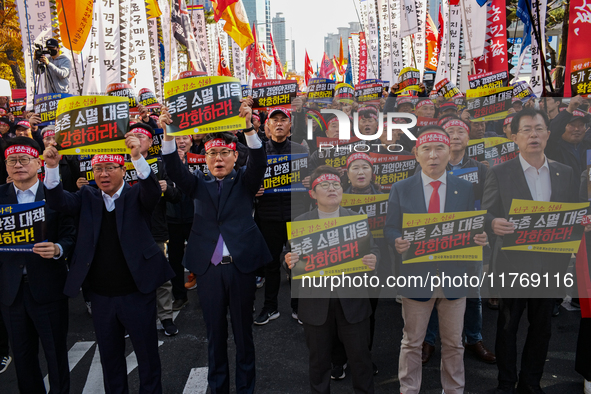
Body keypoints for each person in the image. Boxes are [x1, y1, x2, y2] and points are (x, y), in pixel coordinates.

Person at [43, 133, 174, 393]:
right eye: (98, 169)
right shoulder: (86, 197)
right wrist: (51, 167)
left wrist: (136, 156)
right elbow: (58, 200)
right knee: (110, 358)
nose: (103, 174)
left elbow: (150, 191)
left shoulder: (137, 195)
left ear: (122, 170)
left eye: (109, 168)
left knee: (147, 356)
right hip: (101, 297)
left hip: (137, 293)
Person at [160, 102, 272, 394]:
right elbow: (173, 167)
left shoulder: (246, 182)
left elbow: (259, 160)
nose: (218, 158)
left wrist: (249, 128)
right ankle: (218, 388)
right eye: (212, 153)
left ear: (235, 156)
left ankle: (245, 388)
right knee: (215, 334)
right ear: (205, 158)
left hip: (240, 267)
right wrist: (169, 133)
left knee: (243, 335)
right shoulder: (197, 183)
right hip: (208, 271)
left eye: (224, 153)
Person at [481, 108, 579, 394]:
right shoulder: (499, 172)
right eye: (526, 129)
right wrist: (493, 223)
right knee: (508, 327)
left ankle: (531, 382)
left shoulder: (566, 172)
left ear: (548, 134)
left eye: (539, 128)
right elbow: (485, 214)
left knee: (541, 329)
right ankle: (506, 382)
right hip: (513, 263)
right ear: (514, 137)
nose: (533, 134)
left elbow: (572, 214)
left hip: (551, 265)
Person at [384, 125, 488, 394]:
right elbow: (390, 227)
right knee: (412, 342)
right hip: (416, 276)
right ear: (416, 154)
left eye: (439, 148)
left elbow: (471, 227)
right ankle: (409, 389)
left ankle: (454, 390)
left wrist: (479, 237)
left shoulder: (464, 188)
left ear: (448, 150)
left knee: (454, 343)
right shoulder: (401, 188)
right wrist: (396, 240)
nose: (433, 155)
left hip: (454, 276)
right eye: (426, 149)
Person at [284, 165, 379, 394]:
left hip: (353, 302)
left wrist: (373, 259)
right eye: (324, 185)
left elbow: (374, 249)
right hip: (315, 305)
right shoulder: (300, 222)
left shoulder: (357, 220)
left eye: (336, 184)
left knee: (361, 362)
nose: (332, 188)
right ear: (313, 193)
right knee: (318, 365)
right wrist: (288, 261)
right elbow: (291, 260)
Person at [0, 137, 76, 393]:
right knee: (22, 357)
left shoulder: (55, 195)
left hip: (48, 287)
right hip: (11, 291)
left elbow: (70, 234)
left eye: (24, 159)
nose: (18, 165)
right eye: (12, 160)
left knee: (56, 355)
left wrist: (58, 249)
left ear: (38, 163)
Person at [421, 118, 495, 366]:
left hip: (468, 241)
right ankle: (428, 341)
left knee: (472, 292)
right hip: (432, 242)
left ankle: (473, 338)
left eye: (460, 131)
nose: (454, 135)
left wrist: (483, 230)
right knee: (431, 291)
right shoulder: (427, 166)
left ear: (468, 137)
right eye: (449, 131)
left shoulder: (482, 169)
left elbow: (488, 205)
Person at [254, 107, 309, 326]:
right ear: (267, 126)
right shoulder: (258, 151)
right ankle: (270, 308)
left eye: (283, 120)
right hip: (268, 216)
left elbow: (311, 177)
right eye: (274, 120)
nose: (278, 124)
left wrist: (309, 181)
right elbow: (248, 179)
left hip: (297, 214)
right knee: (271, 265)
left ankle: (298, 307)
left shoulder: (300, 150)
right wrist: (254, 188)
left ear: (290, 126)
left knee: (299, 263)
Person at [129, 122, 182, 336]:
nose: (137, 140)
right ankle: (134, 317)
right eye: (134, 136)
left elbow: (177, 196)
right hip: (128, 229)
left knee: (161, 276)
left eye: (142, 136)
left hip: (156, 227)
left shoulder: (161, 164)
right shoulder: (117, 164)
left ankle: (166, 317)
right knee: (131, 276)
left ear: (151, 142)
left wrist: (166, 188)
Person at [547, 96, 591, 177]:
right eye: (572, 125)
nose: (577, 129)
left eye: (581, 125)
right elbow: (553, 129)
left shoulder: (588, 145)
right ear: (563, 127)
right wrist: (570, 109)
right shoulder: (554, 148)